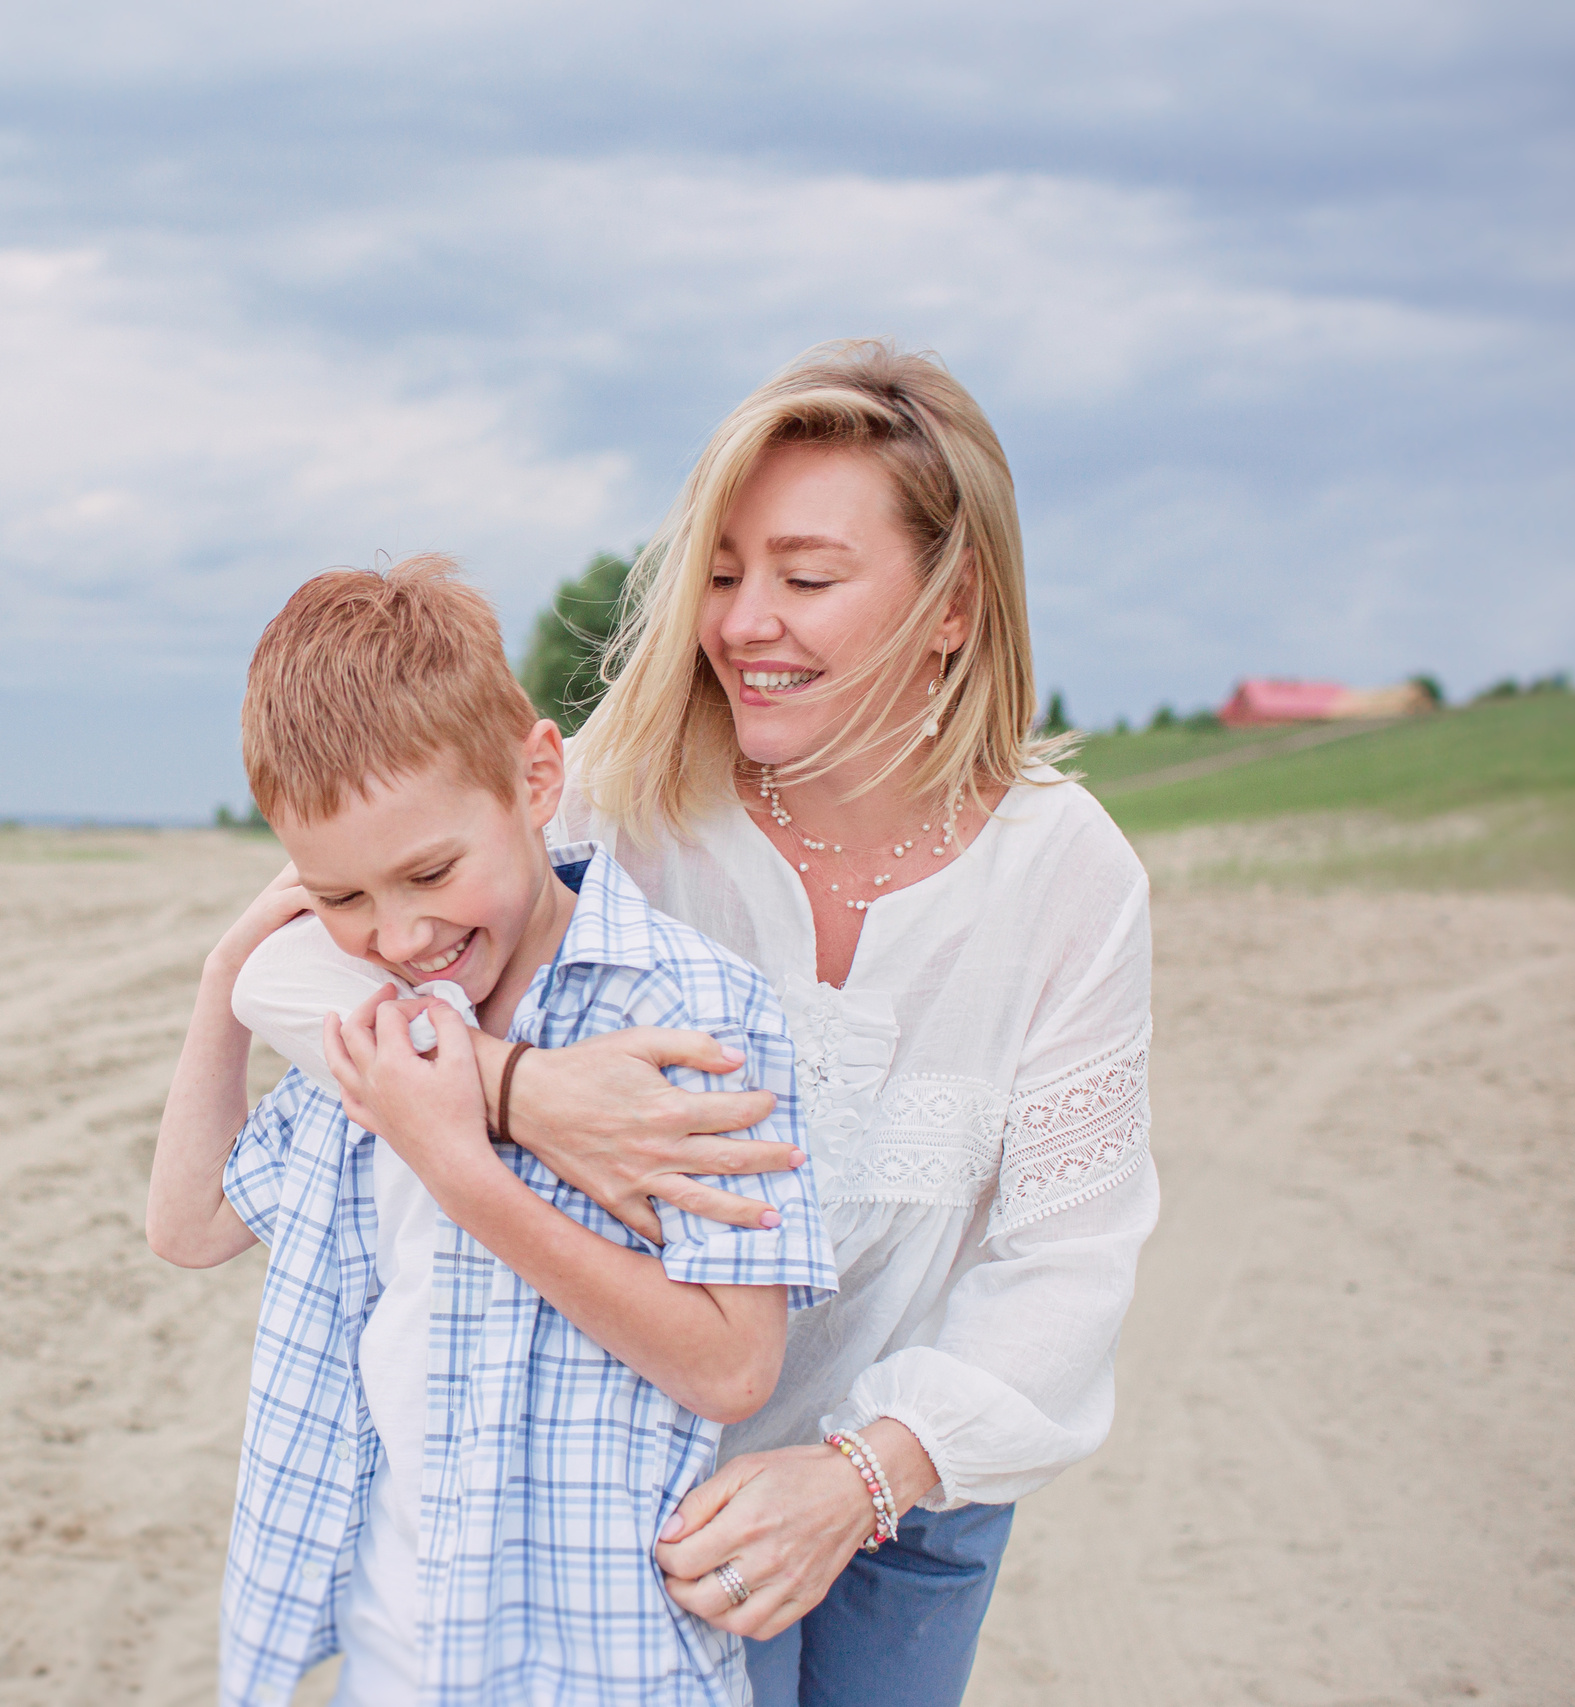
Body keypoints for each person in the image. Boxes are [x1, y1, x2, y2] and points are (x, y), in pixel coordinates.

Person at [229, 342, 1156, 1707]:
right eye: (720, 573)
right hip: (647, 1485)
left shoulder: (1067, 872)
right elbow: (289, 966)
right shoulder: (629, 783)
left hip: (913, 1484)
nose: (742, 621)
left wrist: (864, 1473)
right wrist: (518, 1087)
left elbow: (1067, 1267)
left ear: (954, 603)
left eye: (806, 576)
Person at [145, 556, 834, 1706]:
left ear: (534, 777)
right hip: (384, 1647)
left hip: (596, 1658)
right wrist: (226, 977)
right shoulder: (367, 1021)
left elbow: (731, 1365)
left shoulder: (686, 1013)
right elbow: (190, 1223)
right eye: (340, 897)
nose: (401, 933)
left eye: (429, 871)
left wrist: (467, 1176)